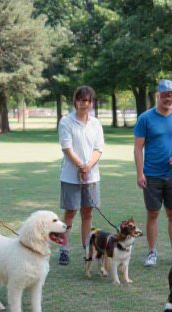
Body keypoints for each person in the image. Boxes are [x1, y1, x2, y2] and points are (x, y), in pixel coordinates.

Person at [134, 79, 172, 266]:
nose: (168, 98)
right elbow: (138, 148)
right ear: (158, 95)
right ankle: (152, 252)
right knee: (152, 214)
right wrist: (140, 173)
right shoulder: (145, 118)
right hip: (152, 174)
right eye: (165, 95)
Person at [57, 85, 104, 265]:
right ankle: (64, 248)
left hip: (92, 176)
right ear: (75, 102)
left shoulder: (96, 123)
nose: (85, 104)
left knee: (88, 213)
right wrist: (80, 166)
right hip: (70, 175)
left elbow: (99, 149)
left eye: (88, 100)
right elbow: (66, 147)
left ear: (92, 103)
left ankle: (87, 248)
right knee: (70, 212)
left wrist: (88, 166)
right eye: (81, 100)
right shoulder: (66, 122)